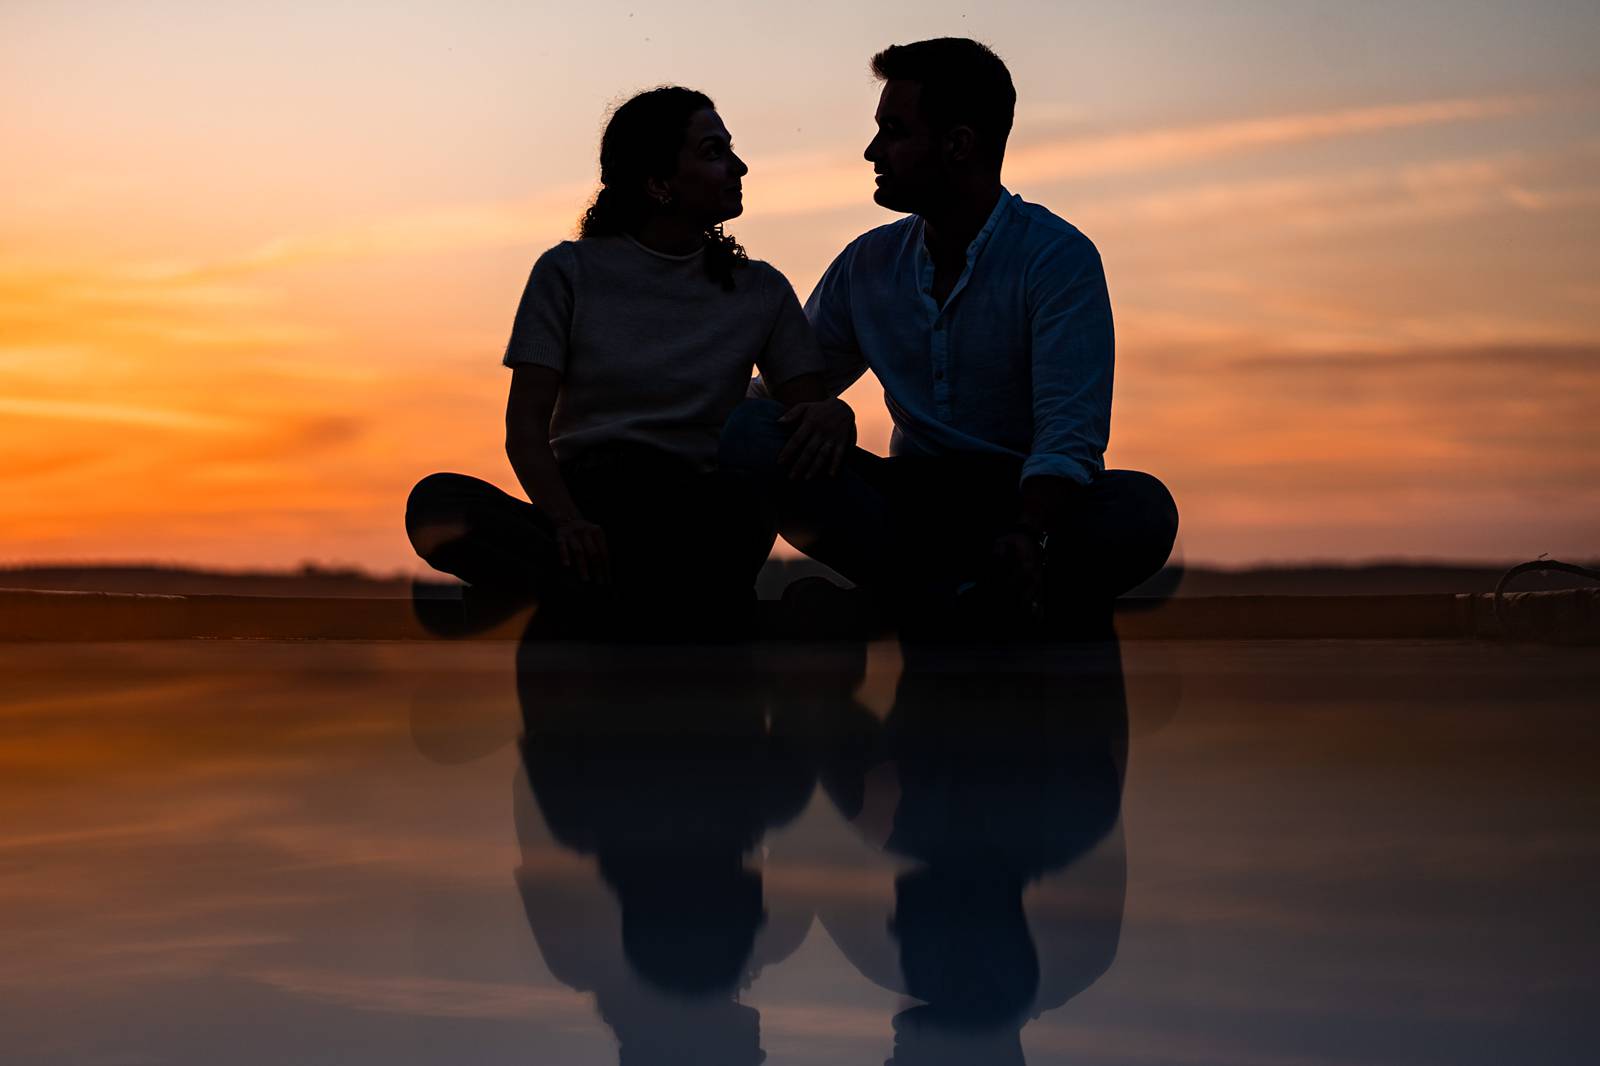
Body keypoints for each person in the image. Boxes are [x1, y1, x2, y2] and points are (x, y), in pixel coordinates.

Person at [721, 38, 1179, 634]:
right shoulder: (869, 264)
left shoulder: (1056, 258)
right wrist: (815, 413)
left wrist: (1027, 531)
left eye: (893, 131)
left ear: (958, 144)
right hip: (905, 505)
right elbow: (779, 395)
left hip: (1020, 502)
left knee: (1142, 509)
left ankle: (912, 602)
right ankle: (965, 603)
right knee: (754, 434)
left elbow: (1071, 433)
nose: (871, 151)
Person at [405, 86, 853, 628]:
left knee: (735, 510)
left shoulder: (761, 290)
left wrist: (834, 414)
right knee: (437, 503)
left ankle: (557, 594)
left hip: (700, 514)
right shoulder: (567, 273)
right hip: (588, 504)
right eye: (714, 152)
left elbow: (801, 421)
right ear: (659, 183)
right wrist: (568, 522)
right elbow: (525, 427)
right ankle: (639, 599)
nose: (740, 166)